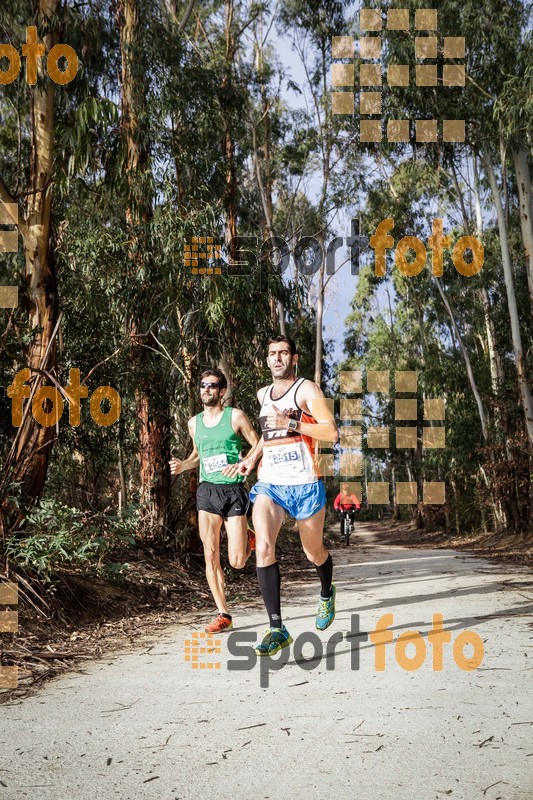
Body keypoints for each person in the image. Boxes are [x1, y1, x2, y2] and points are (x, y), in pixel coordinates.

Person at [238, 336, 339, 656]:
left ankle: (326, 592)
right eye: (271, 354)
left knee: (314, 553)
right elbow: (268, 435)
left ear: (294, 358)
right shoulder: (262, 394)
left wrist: (293, 422)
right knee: (264, 546)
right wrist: (252, 457)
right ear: (266, 360)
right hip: (271, 483)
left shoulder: (307, 390)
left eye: (283, 353)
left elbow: (331, 432)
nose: (277, 358)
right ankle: (276, 627)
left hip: (305, 483)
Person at [170, 368, 259, 633]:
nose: (206, 390)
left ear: (222, 391)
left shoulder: (236, 417)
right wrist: (183, 465)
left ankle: (247, 536)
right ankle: (223, 613)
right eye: (202, 385)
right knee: (210, 556)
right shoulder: (193, 423)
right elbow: (198, 455)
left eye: (212, 386)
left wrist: (244, 463)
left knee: (237, 561)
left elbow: (257, 445)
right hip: (207, 491)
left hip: (233, 491)